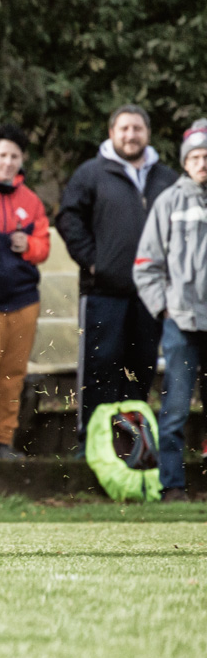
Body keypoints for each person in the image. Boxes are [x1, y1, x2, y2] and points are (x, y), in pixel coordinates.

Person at [58, 104, 180, 430]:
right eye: (124, 128)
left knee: (140, 370)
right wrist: (94, 262)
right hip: (103, 293)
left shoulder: (166, 178)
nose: (130, 135)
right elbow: (69, 220)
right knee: (100, 369)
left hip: (150, 296)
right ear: (112, 133)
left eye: (137, 128)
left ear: (147, 134)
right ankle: (93, 444)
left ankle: (132, 449)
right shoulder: (91, 174)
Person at [0, 125, 52, 459]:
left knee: (13, 374)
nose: (7, 161)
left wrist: (27, 244)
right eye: (1, 154)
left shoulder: (30, 201)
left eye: (14, 156)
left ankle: (3, 439)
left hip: (23, 298)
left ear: (21, 160)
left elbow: (43, 245)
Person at [133, 119, 207, 501]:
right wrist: (164, 309)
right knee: (175, 408)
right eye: (195, 156)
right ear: (185, 161)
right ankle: (172, 485)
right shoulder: (169, 202)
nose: (202, 162)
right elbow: (146, 264)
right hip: (180, 322)